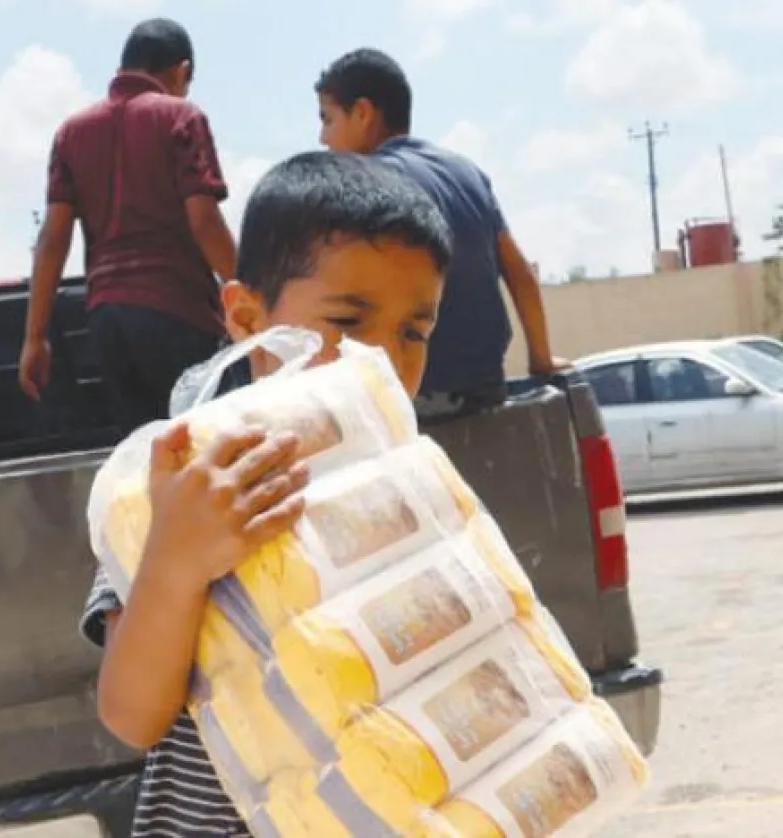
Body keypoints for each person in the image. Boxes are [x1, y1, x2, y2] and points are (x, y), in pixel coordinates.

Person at [80, 151, 451, 837]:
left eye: (413, 332)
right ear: (249, 319)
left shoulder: (414, 494)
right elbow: (131, 716)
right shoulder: (180, 484)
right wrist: (176, 561)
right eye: (348, 321)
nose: (384, 359)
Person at [314, 48, 563, 418]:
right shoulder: (465, 172)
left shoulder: (361, 185)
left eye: (328, 119)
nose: (323, 138)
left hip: (414, 399)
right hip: (484, 390)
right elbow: (520, 273)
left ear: (363, 113)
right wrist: (542, 361)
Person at [19, 17, 239, 434]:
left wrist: (34, 336)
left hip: (107, 321)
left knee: (146, 455)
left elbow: (52, 240)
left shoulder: (71, 132)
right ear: (183, 71)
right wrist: (249, 295)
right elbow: (204, 221)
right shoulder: (181, 117)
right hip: (178, 310)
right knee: (207, 445)